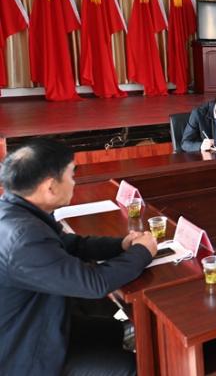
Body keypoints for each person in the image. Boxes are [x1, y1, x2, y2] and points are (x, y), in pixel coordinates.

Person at [0, 139, 157, 375]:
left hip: (36, 323)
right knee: (133, 368)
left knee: (113, 329)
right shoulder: (23, 239)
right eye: (71, 175)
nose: (74, 183)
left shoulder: (15, 211)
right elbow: (94, 283)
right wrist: (142, 252)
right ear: (50, 187)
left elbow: (71, 245)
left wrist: (121, 245)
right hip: (23, 355)